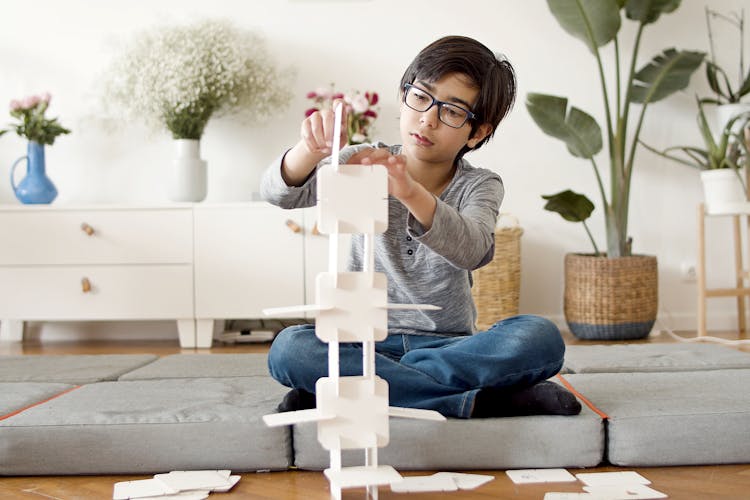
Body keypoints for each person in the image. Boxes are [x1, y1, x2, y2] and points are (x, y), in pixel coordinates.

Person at [260, 35, 581, 419]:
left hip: (450, 347)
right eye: (421, 97)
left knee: (539, 338)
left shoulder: (481, 184)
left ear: (476, 133)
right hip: (361, 343)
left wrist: (410, 193)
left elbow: (475, 249)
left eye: (452, 111)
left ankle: (349, 391)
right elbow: (280, 195)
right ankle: (477, 400)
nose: (428, 117)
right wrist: (309, 151)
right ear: (403, 94)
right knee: (289, 347)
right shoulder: (361, 160)